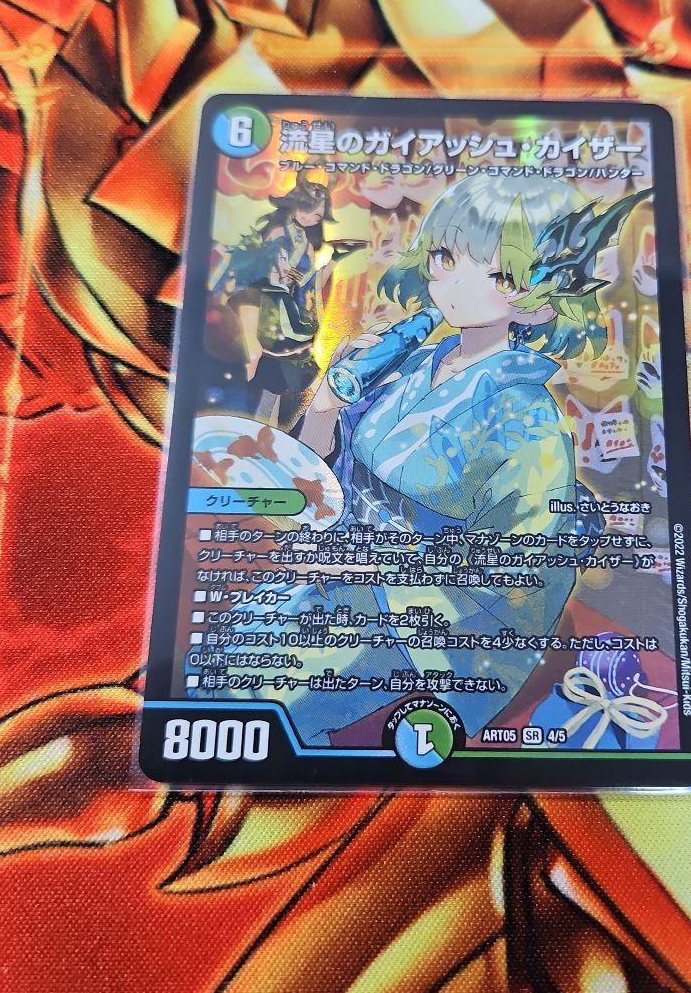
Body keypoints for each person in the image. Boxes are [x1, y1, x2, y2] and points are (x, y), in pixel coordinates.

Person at [231, 174, 646, 743]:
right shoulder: (409, 362)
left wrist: (366, 570)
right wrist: (325, 405)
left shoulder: (528, 417)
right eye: (446, 257)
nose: (452, 279)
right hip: (335, 570)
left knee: (266, 704)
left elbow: (518, 569)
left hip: (420, 612)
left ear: (539, 300)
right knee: (227, 663)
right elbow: (328, 471)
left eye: (497, 273)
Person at [227, 179, 335, 427]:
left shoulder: (307, 245)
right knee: (253, 357)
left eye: (317, 215)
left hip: (285, 310)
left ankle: (263, 428)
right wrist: (279, 274)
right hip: (260, 301)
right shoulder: (277, 230)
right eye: (308, 208)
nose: (311, 217)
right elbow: (256, 267)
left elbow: (309, 285)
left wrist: (331, 264)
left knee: (277, 375)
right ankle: (240, 422)